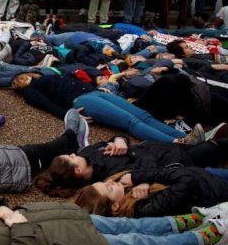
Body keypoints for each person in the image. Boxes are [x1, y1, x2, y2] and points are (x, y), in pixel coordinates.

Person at [0, 201, 224, 245]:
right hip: (64, 241)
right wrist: (15, 222)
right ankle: (200, 239)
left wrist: (5, 209)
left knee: (125, 225)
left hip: (60, 217)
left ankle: (179, 222)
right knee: (139, 243)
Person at [12, 72, 187, 142]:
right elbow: (47, 105)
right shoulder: (31, 91)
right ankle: (175, 142)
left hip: (94, 92)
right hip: (81, 100)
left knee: (143, 114)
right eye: (17, 82)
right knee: (130, 121)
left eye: (21, 76)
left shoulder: (46, 75)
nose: (21, 79)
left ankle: (184, 136)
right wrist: (70, 114)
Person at [36, 135, 228, 197]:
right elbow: (146, 165)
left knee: (212, 148)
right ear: (77, 170)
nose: (74, 153)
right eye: (71, 157)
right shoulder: (110, 180)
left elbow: (111, 140)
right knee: (213, 153)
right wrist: (128, 151)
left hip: (159, 147)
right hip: (172, 162)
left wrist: (119, 140)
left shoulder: (86, 154)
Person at [75, 166, 228, 220]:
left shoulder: (127, 191)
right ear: (115, 206)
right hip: (215, 191)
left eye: (104, 182)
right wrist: (141, 177)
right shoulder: (145, 209)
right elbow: (187, 180)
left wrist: (142, 181)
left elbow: (148, 161)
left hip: (205, 177)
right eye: (108, 188)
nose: (110, 182)